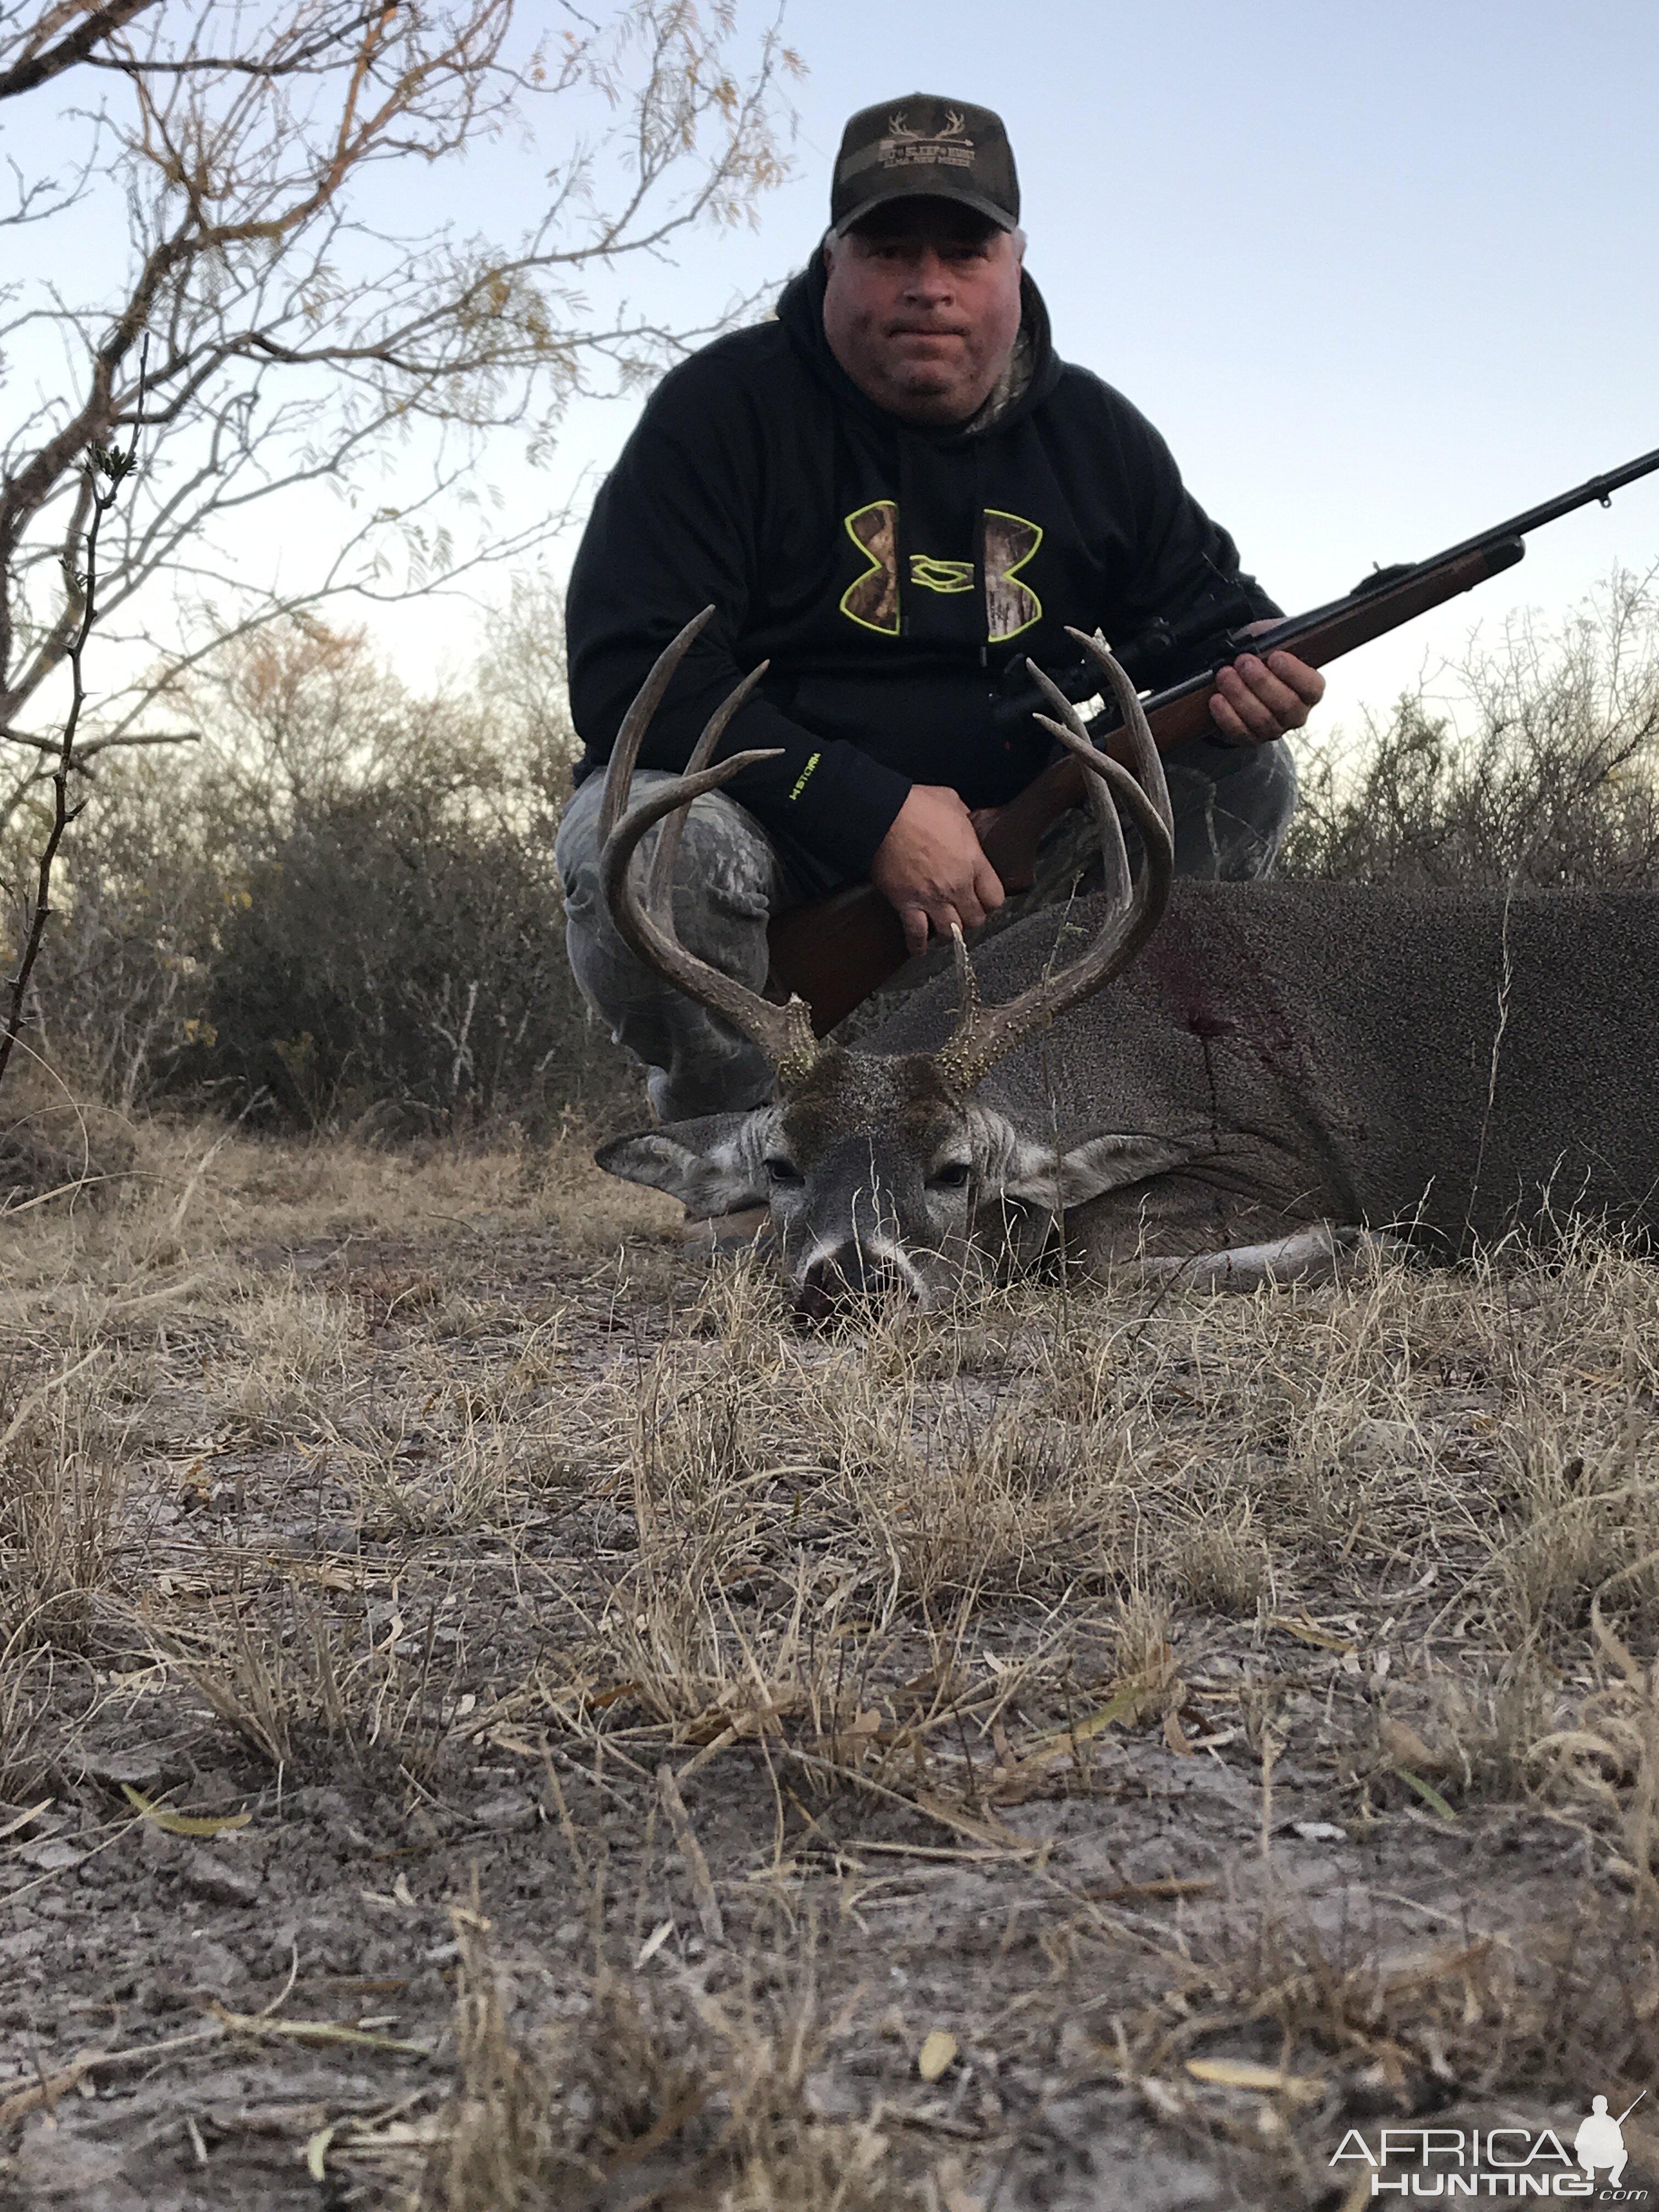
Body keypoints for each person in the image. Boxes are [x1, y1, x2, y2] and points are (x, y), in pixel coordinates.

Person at [558, 93, 1325, 1123]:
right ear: (834, 258)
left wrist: (1259, 655)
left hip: (1024, 859)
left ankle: (1095, 1127)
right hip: (782, 834)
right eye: (889, 249)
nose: (929, 287)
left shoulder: (1099, 437)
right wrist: (869, 811)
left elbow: (1208, 618)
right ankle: (748, 1157)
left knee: (1243, 773)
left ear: (1016, 262)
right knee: (647, 844)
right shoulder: (722, 411)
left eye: (964, 251)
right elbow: (629, 675)